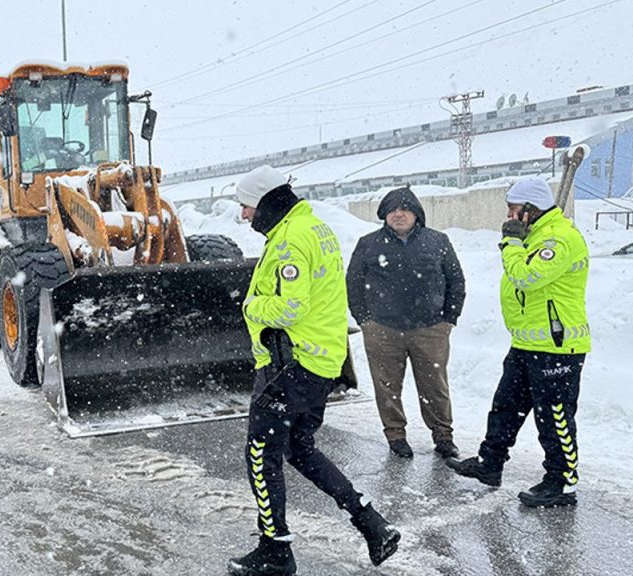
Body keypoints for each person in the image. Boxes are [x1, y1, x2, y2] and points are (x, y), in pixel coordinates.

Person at [228, 165, 400, 576]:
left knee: (261, 454)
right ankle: (371, 523)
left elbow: (290, 306)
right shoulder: (313, 228)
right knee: (300, 448)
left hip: (290, 366)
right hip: (318, 363)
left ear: (266, 202)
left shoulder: (290, 240)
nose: (244, 215)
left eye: (247, 206)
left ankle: (275, 550)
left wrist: (251, 306)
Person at [446, 177, 590, 508]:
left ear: (530, 209)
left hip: (557, 346)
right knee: (506, 406)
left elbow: (526, 277)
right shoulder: (534, 235)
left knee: (554, 417)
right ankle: (490, 463)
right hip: (526, 342)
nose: (509, 217)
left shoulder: (559, 238)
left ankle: (562, 481)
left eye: (513, 210)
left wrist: (511, 243)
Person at [346, 186, 466, 459]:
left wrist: (449, 319)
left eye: (404, 209)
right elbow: (353, 283)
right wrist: (365, 320)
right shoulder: (368, 244)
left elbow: (456, 280)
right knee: (387, 386)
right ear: (384, 215)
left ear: (416, 214)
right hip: (382, 330)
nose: (398, 214)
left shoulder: (437, 241)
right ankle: (396, 435)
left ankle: (443, 436)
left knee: (435, 386)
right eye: (392, 210)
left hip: (430, 329)